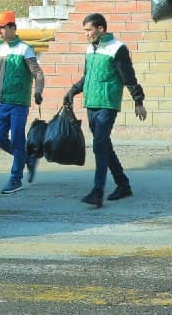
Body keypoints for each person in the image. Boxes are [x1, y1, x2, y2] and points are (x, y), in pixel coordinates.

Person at [63, 13, 147, 208]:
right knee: (104, 146)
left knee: (99, 145)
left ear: (101, 29)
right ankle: (123, 184)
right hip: (91, 103)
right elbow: (87, 77)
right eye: (85, 31)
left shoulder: (117, 48)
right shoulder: (90, 49)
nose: (86, 34)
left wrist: (138, 101)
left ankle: (97, 191)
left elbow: (129, 77)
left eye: (89, 30)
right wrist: (73, 91)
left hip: (108, 104)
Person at [0, 10, 45, 195]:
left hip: (19, 102)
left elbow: (38, 73)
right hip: (3, 102)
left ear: (12, 27)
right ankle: (28, 159)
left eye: (2, 27)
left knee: (18, 138)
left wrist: (37, 91)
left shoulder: (24, 49)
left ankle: (15, 178)